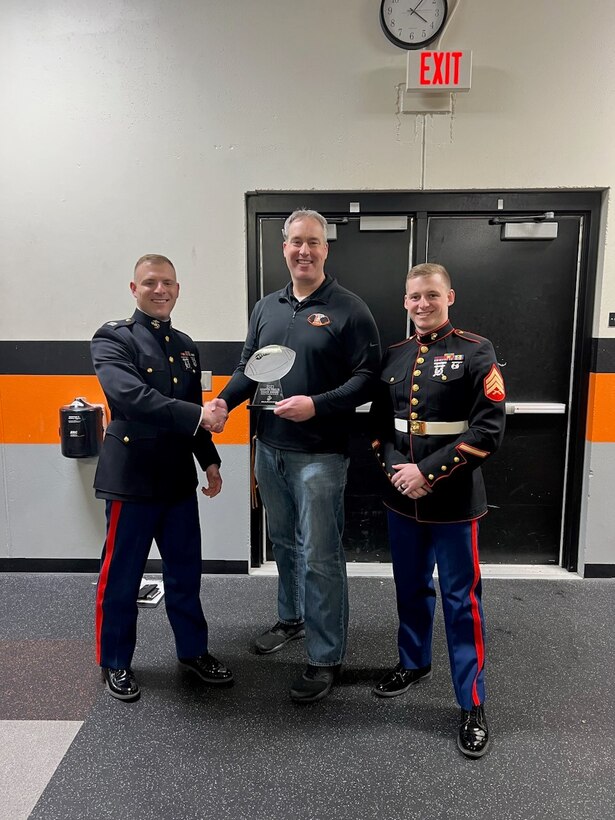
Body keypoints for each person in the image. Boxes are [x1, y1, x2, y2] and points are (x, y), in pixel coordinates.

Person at [216, 209, 381, 703]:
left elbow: (366, 378)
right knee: (283, 543)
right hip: (269, 449)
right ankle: (291, 618)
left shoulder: (351, 309)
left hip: (320, 456)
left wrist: (318, 406)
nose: (304, 251)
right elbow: (250, 367)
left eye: (314, 242)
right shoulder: (267, 307)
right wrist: (225, 400)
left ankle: (325, 655)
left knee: (321, 556)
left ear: (326, 249)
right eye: (295, 242)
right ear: (283, 247)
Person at [369, 262, 506, 758]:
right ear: (405, 302)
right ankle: (414, 661)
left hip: (452, 500)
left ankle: (471, 702)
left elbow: (487, 433)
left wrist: (426, 473)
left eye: (431, 295)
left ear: (450, 296)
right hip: (400, 500)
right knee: (409, 588)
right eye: (413, 297)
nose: (422, 304)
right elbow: (380, 431)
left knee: (460, 601)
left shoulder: (476, 351)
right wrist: (398, 473)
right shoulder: (394, 356)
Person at [91, 253, 233, 701]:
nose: (160, 290)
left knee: (186, 572)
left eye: (168, 282)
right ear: (134, 289)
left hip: (175, 480)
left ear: (177, 288)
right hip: (130, 479)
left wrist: (209, 460)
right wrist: (200, 415)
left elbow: (190, 416)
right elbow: (129, 397)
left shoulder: (186, 345)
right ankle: (115, 661)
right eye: (150, 282)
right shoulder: (113, 338)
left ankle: (193, 651)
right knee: (122, 576)